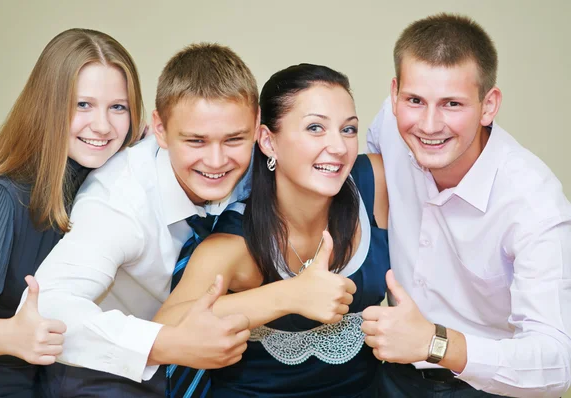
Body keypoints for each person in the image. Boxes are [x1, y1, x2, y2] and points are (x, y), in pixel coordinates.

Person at [19, 43, 258, 397]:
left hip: (222, 370)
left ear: (256, 127)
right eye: (195, 141)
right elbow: (47, 310)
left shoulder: (262, 166)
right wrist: (168, 344)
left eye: (234, 139)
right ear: (159, 129)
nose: (216, 160)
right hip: (104, 374)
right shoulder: (119, 198)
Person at [362, 13, 571, 397]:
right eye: (414, 100)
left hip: (485, 388)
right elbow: (374, 175)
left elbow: (558, 361)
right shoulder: (390, 127)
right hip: (389, 374)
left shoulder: (534, 204)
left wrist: (434, 342)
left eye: (452, 104)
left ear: (488, 105)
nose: (428, 124)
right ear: (394, 95)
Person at [154, 63, 390, 397]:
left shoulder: (375, 182)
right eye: (315, 128)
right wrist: (288, 296)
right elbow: (163, 328)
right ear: (268, 140)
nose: (338, 147)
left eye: (348, 130)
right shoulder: (235, 242)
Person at [0, 28, 144, 398]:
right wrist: (9, 335)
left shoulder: (107, 188)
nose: (102, 125)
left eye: (118, 107)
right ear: (49, 105)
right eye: (83, 105)